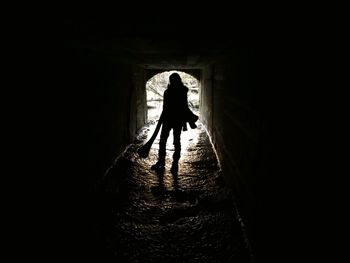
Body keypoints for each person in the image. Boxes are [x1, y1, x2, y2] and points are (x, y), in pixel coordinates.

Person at [151, 73, 198, 173]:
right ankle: (173, 164)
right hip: (176, 120)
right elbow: (184, 107)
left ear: (171, 81)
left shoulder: (168, 92)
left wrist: (161, 121)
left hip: (169, 120)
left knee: (164, 141)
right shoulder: (182, 91)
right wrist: (188, 120)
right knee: (176, 142)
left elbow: (167, 108)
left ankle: (163, 162)